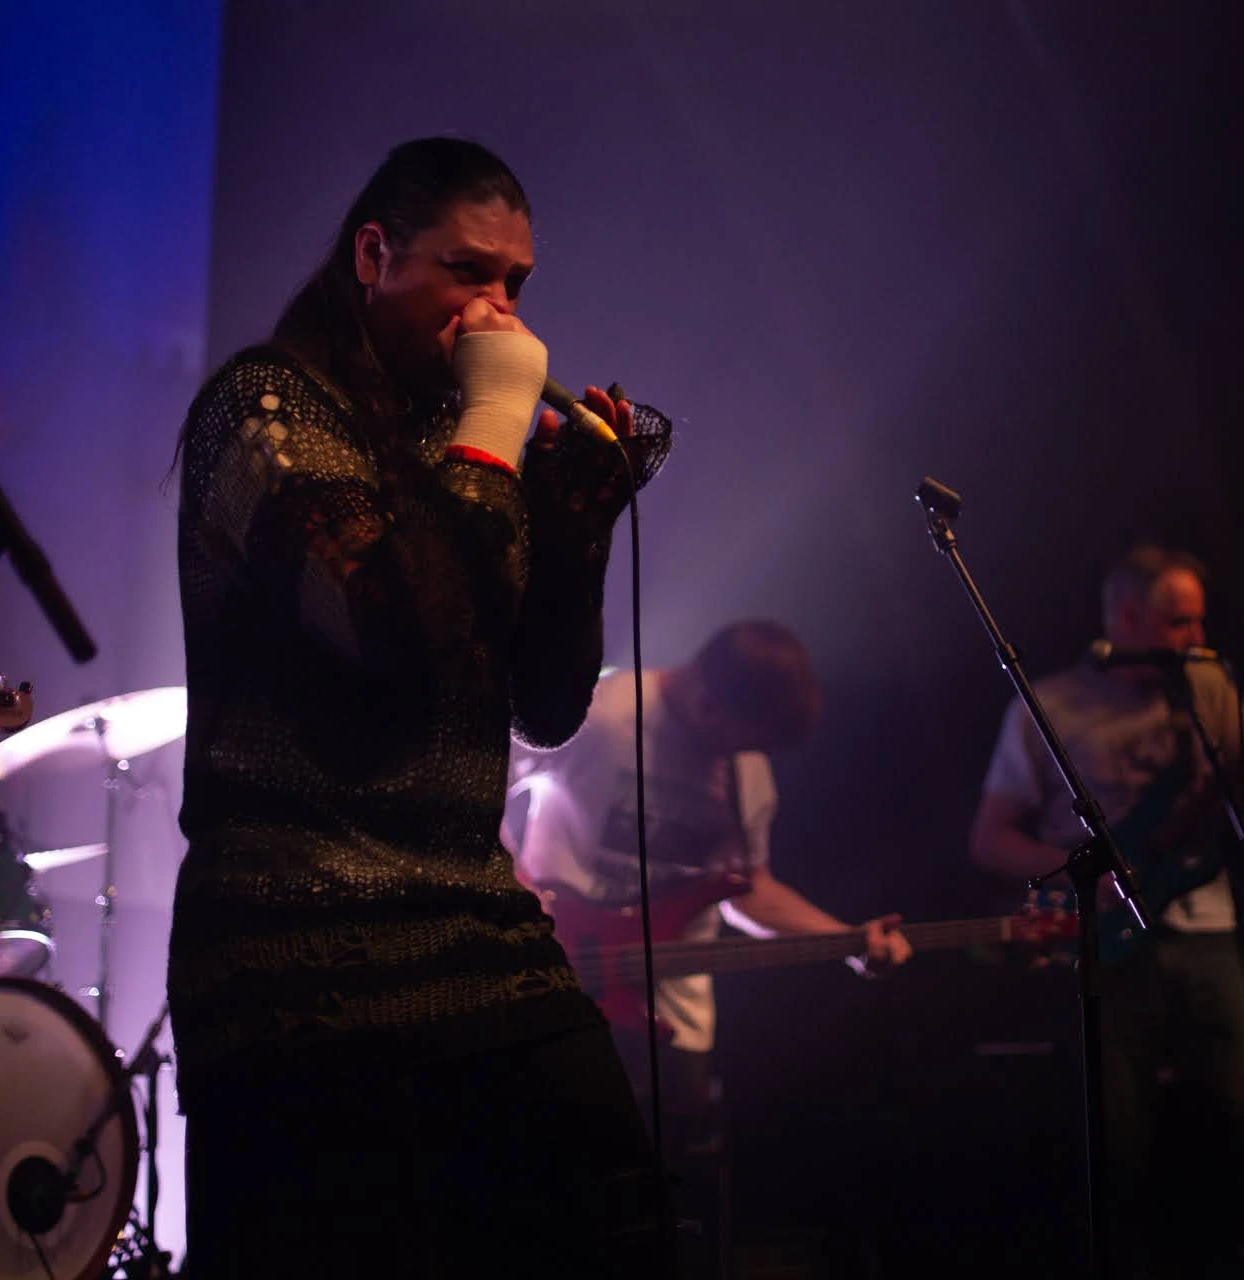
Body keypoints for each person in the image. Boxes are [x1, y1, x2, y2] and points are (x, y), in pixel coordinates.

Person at [167, 136, 673, 1278]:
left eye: (516, 284)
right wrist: (494, 427)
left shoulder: (459, 444)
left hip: (475, 929)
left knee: (615, 1230)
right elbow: (387, 625)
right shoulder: (265, 406)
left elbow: (545, 708)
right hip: (297, 956)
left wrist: (576, 526)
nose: (497, 311)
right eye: (467, 271)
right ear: (374, 255)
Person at [969, 544, 1244, 1279]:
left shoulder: (1209, 689)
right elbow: (990, 838)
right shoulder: (1049, 704)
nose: (1196, 636)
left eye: (1199, 620)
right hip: (1105, 945)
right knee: (1118, 1140)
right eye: (1178, 622)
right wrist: (1084, 878)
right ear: (1126, 617)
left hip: (1209, 930)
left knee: (1237, 1128)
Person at [510, 618, 913, 1275]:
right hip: (563, 983)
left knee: (674, 1193)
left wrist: (845, 941)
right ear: (705, 703)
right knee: (562, 1176)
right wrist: (521, 892)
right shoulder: (598, 712)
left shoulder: (749, 775)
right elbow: (482, 804)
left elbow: (749, 890)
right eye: (740, 740)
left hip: (674, 1009)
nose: (742, 758)